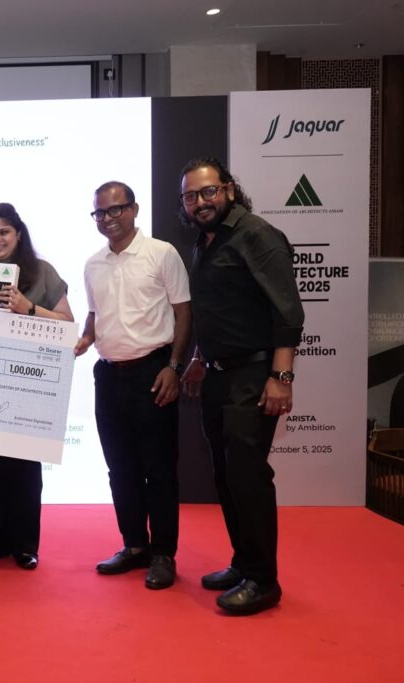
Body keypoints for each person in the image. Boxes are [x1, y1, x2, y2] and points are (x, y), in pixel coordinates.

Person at [178, 157, 304, 615]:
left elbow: (287, 311)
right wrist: (198, 359)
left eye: (208, 191)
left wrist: (281, 377)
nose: (200, 202)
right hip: (216, 374)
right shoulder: (205, 241)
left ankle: (264, 581)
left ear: (229, 189)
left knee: (248, 476)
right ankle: (244, 563)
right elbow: (216, 311)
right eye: (190, 196)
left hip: (253, 374)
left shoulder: (257, 235)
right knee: (227, 476)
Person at [74, 181, 191, 590]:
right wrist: (84, 339)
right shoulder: (93, 264)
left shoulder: (162, 253)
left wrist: (174, 366)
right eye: (100, 213)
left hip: (153, 372)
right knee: (120, 469)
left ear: (134, 209)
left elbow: (184, 312)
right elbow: (95, 315)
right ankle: (135, 545)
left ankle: (163, 553)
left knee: (158, 470)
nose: (108, 218)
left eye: (116, 209)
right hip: (108, 376)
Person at [0, 203, 74, 570]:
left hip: (30, 384)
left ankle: (25, 544)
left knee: (24, 468)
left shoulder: (42, 272)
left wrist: (29, 308)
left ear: (18, 234)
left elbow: (67, 323)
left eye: (4, 232)